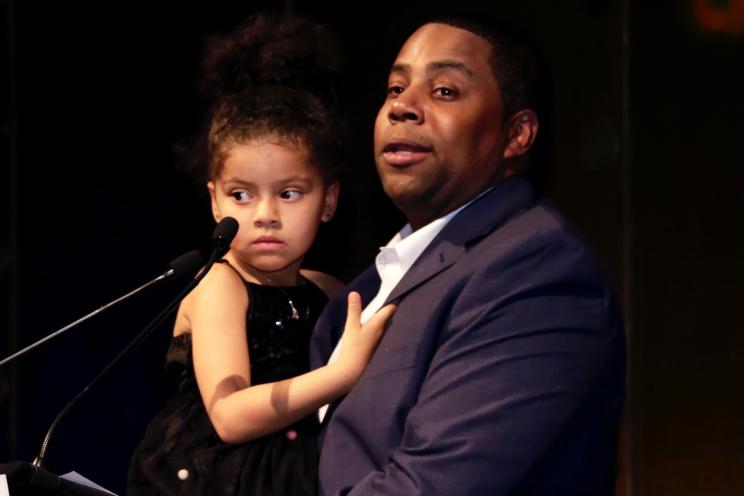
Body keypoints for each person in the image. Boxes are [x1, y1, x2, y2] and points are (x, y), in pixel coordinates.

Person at [310, 16, 626, 496]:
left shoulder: (537, 268)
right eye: (395, 87)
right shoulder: (358, 292)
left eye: (444, 92)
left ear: (516, 134)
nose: (402, 107)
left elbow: (431, 487)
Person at [127, 14, 394, 496]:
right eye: (241, 195)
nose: (265, 215)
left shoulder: (329, 290)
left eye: (289, 194)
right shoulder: (219, 285)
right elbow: (229, 416)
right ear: (214, 200)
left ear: (329, 201)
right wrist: (340, 376)